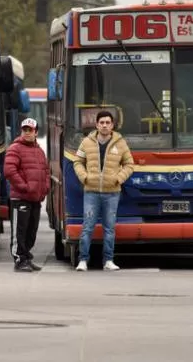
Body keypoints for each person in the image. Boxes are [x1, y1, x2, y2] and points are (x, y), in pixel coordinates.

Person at [73, 110, 134, 272]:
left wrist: (119, 178)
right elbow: (77, 161)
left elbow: (129, 164)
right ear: (97, 124)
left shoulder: (120, 143)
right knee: (87, 227)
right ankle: (83, 260)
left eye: (108, 122)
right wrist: (84, 177)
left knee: (109, 228)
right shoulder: (86, 142)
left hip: (112, 192)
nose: (105, 125)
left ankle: (108, 260)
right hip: (91, 191)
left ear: (112, 125)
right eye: (102, 122)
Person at [3, 117, 50, 272]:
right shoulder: (15, 148)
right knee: (19, 232)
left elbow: (46, 171)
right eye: (25, 130)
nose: (27, 133)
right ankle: (19, 260)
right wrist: (25, 187)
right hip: (20, 198)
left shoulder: (39, 150)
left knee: (31, 232)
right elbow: (9, 171)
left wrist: (45, 188)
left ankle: (26, 258)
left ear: (36, 132)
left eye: (30, 130)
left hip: (35, 199)